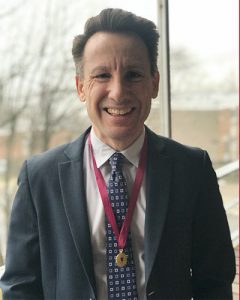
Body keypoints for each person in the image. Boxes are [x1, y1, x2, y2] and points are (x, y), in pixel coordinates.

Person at [0, 8, 235, 300]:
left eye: (133, 74)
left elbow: (214, 280)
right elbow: (20, 288)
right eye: (101, 75)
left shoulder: (192, 169)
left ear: (154, 83)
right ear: (80, 87)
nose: (118, 92)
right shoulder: (39, 178)